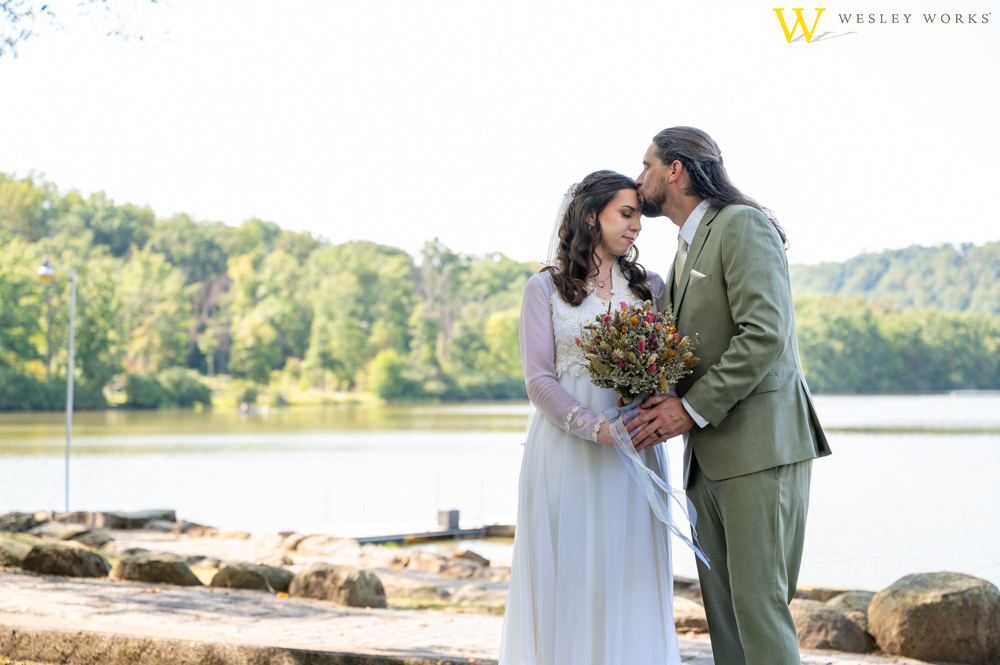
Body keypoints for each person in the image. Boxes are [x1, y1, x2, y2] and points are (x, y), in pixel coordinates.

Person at [626, 126, 832, 665]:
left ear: (675, 170)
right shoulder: (684, 245)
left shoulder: (742, 224)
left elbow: (764, 333)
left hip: (760, 448)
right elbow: (697, 348)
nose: (638, 177)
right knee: (724, 619)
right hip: (708, 459)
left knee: (760, 611)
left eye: (646, 164)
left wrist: (688, 409)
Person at [499, 170, 681, 665]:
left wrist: (652, 405)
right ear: (589, 216)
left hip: (637, 452)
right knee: (571, 577)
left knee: (631, 577)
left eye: (639, 215)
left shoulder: (651, 289)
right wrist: (597, 428)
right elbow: (538, 380)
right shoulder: (545, 288)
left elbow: (667, 371)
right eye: (626, 214)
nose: (637, 226)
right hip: (566, 453)